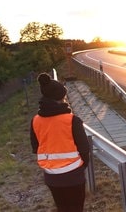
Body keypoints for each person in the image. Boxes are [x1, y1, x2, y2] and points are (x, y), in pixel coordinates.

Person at [30, 72, 90, 212]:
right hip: (74, 175)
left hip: (51, 177)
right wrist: (81, 167)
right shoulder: (72, 120)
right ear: (61, 98)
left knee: (62, 208)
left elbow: (35, 148)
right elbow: (84, 149)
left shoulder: (35, 121)